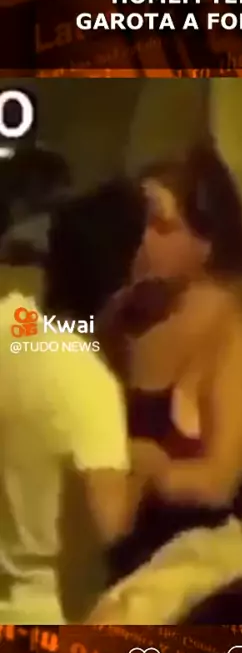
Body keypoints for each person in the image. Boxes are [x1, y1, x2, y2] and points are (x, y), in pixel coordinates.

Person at [98, 143, 242, 589]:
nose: (141, 240)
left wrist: (149, 471)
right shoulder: (117, 319)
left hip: (209, 561)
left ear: (205, 243)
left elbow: (220, 480)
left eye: (161, 227)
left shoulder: (226, 330)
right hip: (124, 561)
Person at [0, 157, 147, 623]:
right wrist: (146, 467)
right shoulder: (86, 381)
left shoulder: (11, 328)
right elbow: (110, 526)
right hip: (52, 616)